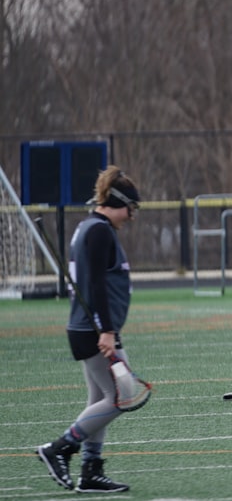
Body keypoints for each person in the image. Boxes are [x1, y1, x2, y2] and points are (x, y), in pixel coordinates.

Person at [36, 166, 142, 493]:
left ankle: (91, 472)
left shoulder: (90, 227)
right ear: (116, 201)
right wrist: (108, 332)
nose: (131, 217)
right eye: (130, 209)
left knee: (100, 398)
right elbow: (95, 283)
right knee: (124, 396)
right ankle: (60, 448)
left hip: (89, 327)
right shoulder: (98, 230)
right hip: (96, 330)